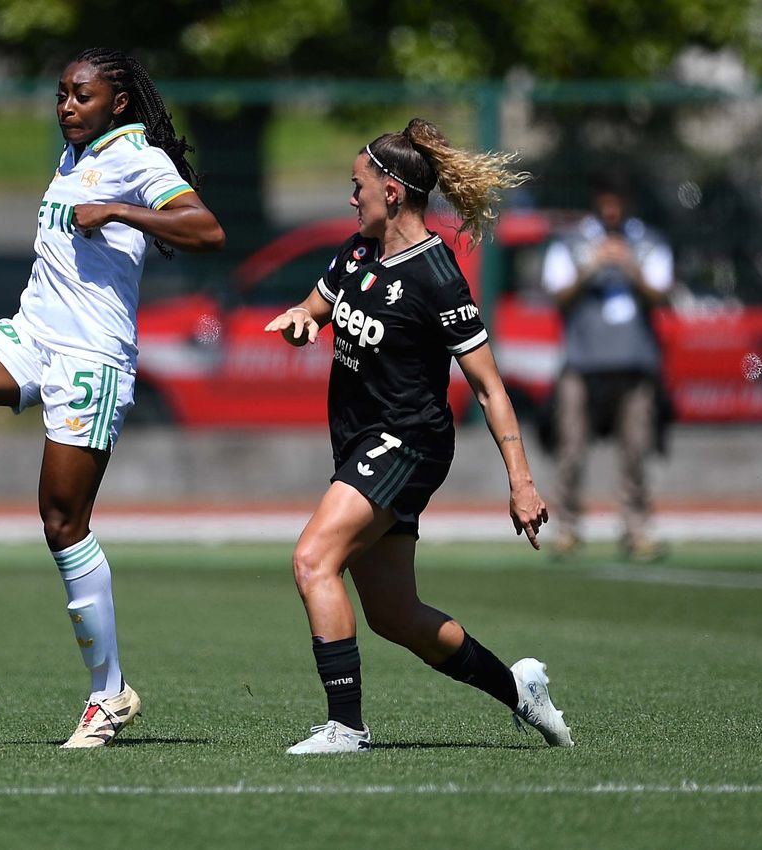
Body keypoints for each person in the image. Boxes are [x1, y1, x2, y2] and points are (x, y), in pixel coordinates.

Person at [0, 47, 225, 748]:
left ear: (117, 103)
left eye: (81, 95)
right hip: (32, 334)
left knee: (63, 524)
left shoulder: (136, 159)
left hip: (91, 360)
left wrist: (120, 210)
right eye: (61, 93)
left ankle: (108, 694)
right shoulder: (75, 154)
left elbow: (206, 230)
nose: (66, 105)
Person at [264, 119, 572, 755]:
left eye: (359, 186)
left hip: (408, 443)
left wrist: (522, 483)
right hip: (359, 444)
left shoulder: (437, 275)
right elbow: (315, 308)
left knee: (313, 560)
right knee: (393, 615)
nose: (352, 198)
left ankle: (346, 728)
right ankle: (520, 690)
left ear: (393, 191)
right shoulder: (355, 252)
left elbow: (489, 388)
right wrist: (300, 320)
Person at [540, 176, 673, 562]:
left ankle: (637, 528)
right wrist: (593, 265)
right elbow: (557, 294)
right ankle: (566, 528)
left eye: (619, 203)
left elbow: (661, 293)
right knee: (571, 448)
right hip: (582, 361)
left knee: (636, 449)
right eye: (606, 202)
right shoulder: (572, 242)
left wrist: (629, 265)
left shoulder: (648, 241)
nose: (612, 211)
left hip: (634, 363)